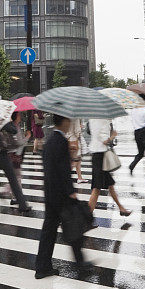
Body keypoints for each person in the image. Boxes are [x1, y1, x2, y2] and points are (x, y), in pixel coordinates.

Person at [35, 114, 86, 279]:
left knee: (49, 231)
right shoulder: (61, 142)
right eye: (68, 121)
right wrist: (71, 192)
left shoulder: (50, 141)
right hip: (61, 194)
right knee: (74, 227)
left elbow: (52, 167)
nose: (70, 123)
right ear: (63, 122)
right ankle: (80, 264)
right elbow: (63, 170)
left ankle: (42, 267)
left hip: (50, 192)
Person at [87, 119, 131, 217]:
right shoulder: (101, 120)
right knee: (97, 188)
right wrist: (112, 136)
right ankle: (86, 218)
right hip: (100, 156)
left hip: (98, 155)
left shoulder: (93, 118)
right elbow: (104, 140)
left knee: (110, 184)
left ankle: (121, 208)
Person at [67, 118, 86, 183]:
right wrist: (80, 128)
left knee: (78, 160)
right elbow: (77, 131)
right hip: (75, 140)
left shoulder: (67, 117)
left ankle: (79, 177)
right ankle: (65, 178)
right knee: (75, 160)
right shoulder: (76, 118)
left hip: (70, 139)